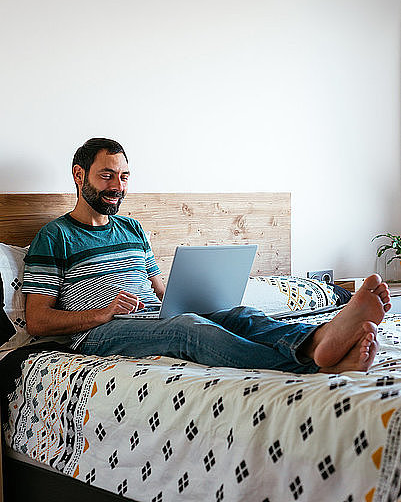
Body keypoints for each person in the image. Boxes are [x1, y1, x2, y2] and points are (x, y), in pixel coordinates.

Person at [23, 138, 391, 375]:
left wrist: (200, 297)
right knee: (188, 330)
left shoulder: (133, 229)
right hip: (96, 333)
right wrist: (103, 312)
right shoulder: (54, 236)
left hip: (151, 318)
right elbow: (37, 321)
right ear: (79, 174)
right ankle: (311, 365)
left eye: (124, 176)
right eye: (107, 176)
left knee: (238, 315)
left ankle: (319, 337)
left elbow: (161, 290)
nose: (118, 187)